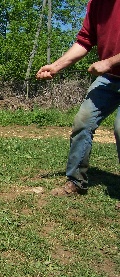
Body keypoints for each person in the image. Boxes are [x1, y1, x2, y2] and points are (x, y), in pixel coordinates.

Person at [36, 0, 120, 196]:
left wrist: (109, 62)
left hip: (109, 69)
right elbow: (84, 41)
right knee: (83, 122)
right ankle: (76, 182)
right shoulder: (95, 4)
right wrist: (56, 66)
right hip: (109, 78)